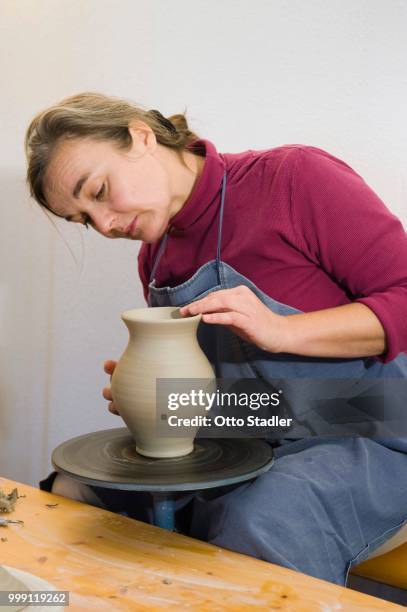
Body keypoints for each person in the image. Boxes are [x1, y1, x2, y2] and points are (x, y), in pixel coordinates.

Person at [24, 91, 407, 587]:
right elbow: (248, 402)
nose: (105, 226)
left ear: (140, 136)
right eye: (83, 221)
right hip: (255, 432)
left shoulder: (292, 179)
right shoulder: (155, 257)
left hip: (375, 425)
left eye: (98, 191)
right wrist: (161, 402)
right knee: (76, 494)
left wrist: (282, 329)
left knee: (263, 515)